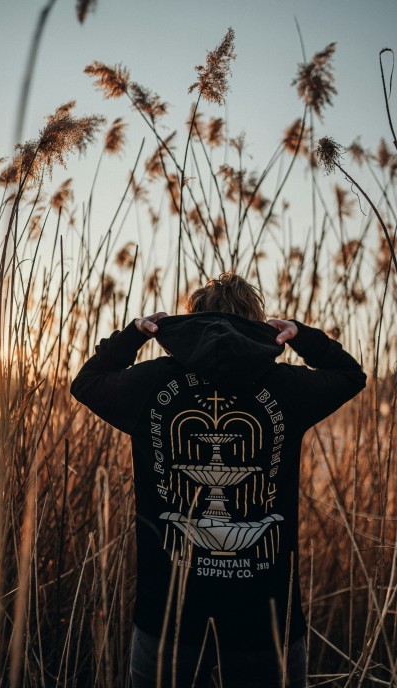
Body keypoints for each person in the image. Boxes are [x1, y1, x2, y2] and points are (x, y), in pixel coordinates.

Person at [70, 273, 366, 688]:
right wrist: (301, 336)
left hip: (168, 619)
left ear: (192, 320)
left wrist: (132, 337)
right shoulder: (284, 387)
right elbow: (350, 375)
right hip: (266, 623)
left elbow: (85, 383)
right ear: (258, 322)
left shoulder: (152, 383)